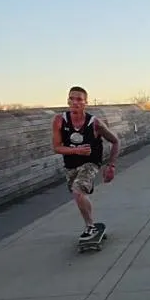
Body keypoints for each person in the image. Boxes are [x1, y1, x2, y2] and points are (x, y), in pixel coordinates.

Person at [52, 86, 120, 243]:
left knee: (78, 190)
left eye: (79, 99)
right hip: (71, 164)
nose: (74, 102)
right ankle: (91, 224)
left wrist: (111, 166)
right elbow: (56, 147)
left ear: (85, 103)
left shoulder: (95, 123)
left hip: (91, 162)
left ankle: (90, 226)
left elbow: (115, 141)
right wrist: (76, 151)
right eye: (71, 99)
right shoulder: (59, 121)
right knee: (78, 194)